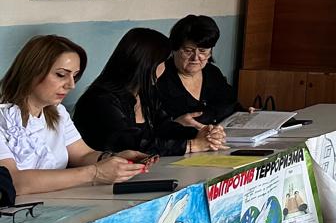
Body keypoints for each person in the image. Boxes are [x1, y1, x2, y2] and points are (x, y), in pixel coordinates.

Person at [0, 35, 151, 194]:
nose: (71, 85)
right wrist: (95, 173)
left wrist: (114, 159)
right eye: (61, 75)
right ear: (31, 71)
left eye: (74, 76)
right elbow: (13, 182)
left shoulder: (58, 113)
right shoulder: (3, 119)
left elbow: (83, 155)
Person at [74, 27, 226, 156]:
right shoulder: (100, 100)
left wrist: (202, 134)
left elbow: (164, 127)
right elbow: (132, 144)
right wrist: (192, 145)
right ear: (146, 65)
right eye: (163, 63)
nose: (165, 69)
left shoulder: (145, 92)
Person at [155, 15, 244, 127]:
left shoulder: (212, 72)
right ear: (174, 49)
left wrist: (244, 114)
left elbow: (231, 104)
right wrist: (175, 125)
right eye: (188, 51)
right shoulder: (160, 78)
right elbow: (154, 127)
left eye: (203, 51)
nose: (196, 58)